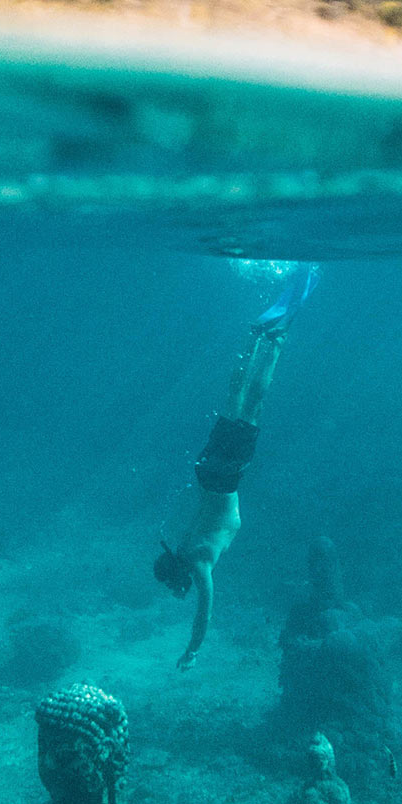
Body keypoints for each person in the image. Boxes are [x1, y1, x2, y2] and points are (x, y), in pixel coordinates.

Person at [155, 266, 316, 668]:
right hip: (207, 472)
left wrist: (192, 651)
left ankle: (274, 341)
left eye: (177, 588)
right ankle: (255, 337)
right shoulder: (182, 546)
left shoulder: (198, 562)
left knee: (254, 404)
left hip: (226, 478)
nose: (180, 591)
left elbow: (204, 613)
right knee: (234, 401)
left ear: (180, 576)